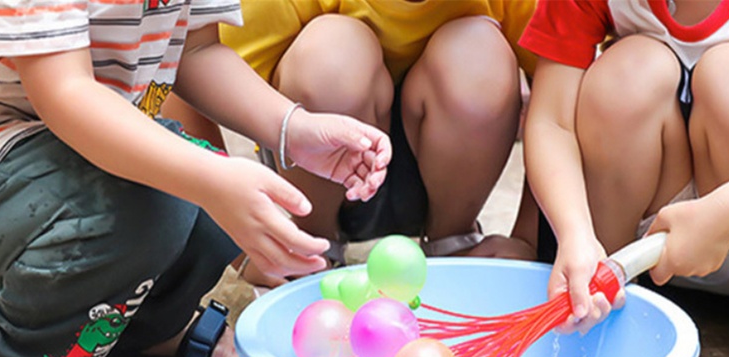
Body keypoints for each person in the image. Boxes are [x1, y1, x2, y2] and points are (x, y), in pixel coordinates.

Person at [0, 0, 391, 357]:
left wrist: (292, 127)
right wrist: (207, 180)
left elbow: (197, 50)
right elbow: (65, 92)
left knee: (201, 188)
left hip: (71, 145)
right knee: (159, 201)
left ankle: (141, 329)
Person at [519, 0, 729, 357]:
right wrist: (574, 232)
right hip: (634, 237)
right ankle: (602, 280)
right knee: (629, 70)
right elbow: (551, 120)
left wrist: (723, 215)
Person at [162, 0, 541, 291]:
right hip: (314, 159)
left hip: (452, 170)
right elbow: (181, 72)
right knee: (333, 51)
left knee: (477, 49)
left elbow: (560, 95)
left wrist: (528, 237)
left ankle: (453, 242)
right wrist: (237, 246)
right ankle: (311, 246)